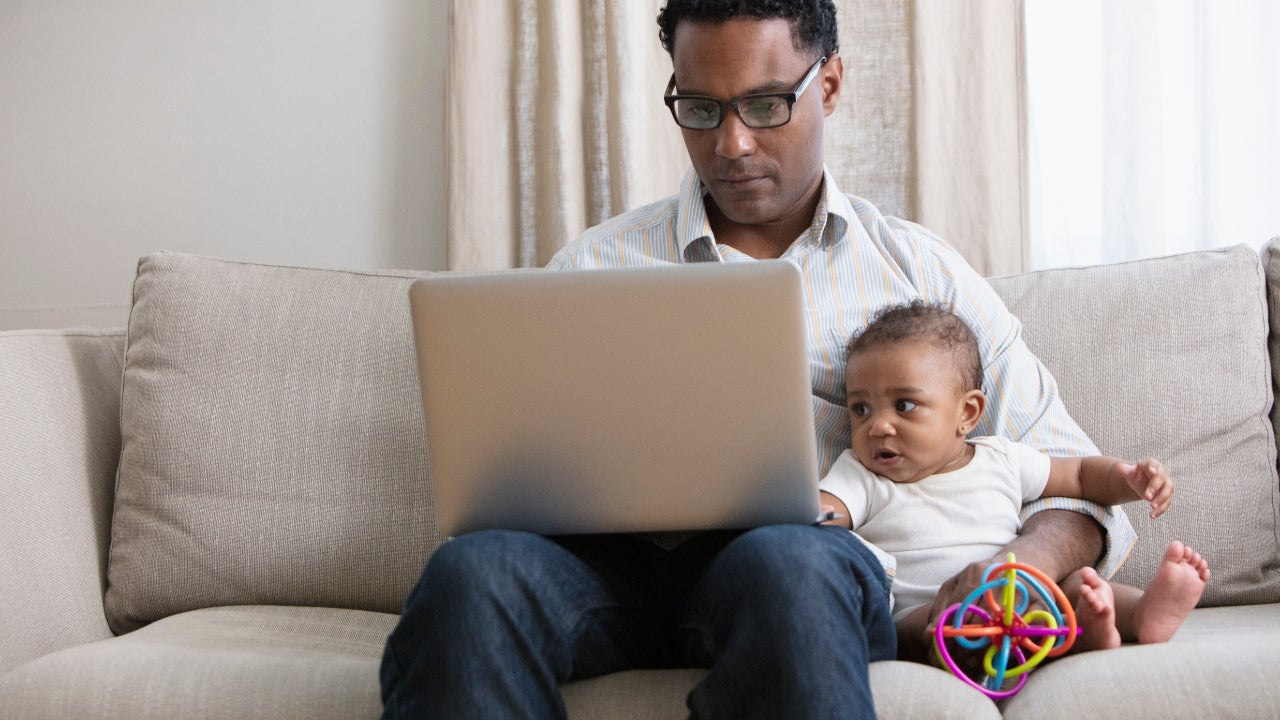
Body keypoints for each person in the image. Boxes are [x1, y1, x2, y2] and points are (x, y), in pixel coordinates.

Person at [381, 1, 1137, 717]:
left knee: (790, 561)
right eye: (701, 109)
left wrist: (1026, 563)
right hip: (606, 575)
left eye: (766, 104)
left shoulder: (919, 271)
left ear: (829, 85)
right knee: (470, 574)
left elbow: (1070, 470)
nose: (731, 143)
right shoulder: (594, 263)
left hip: (795, 571)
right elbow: (509, 463)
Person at [821, 301, 1211, 661]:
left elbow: (1076, 475)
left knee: (1078, 585)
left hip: (1017, 595)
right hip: (932, 611)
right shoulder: (861, 473)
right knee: (910, 628)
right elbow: (822, 511)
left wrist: (1127, 478)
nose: (878, 426)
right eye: (861, 409)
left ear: (967, 413)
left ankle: (1141, 613)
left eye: (904, 405)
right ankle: (1072, 637)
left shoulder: (1000, 458)